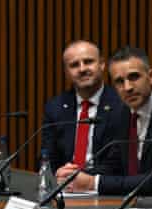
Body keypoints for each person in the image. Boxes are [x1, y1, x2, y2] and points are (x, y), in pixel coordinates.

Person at [57, 46, 152, 200]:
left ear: (151, 76)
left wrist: (92, 183)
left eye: (134, 77)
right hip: (139, 203)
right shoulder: (123, 111)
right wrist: (76, 175)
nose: (127, 87)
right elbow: (114, 165)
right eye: (119, 81)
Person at [42, 40, 125, 174]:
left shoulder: (122, 104)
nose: (82, 69)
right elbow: (47, 155)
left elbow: (119, 162)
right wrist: (57, 172)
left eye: (88, 62)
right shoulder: (55, 107)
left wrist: (79, 178)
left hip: (104, 188)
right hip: (63, 186)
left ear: (102, 64)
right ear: (66, 72)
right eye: (74, 65)